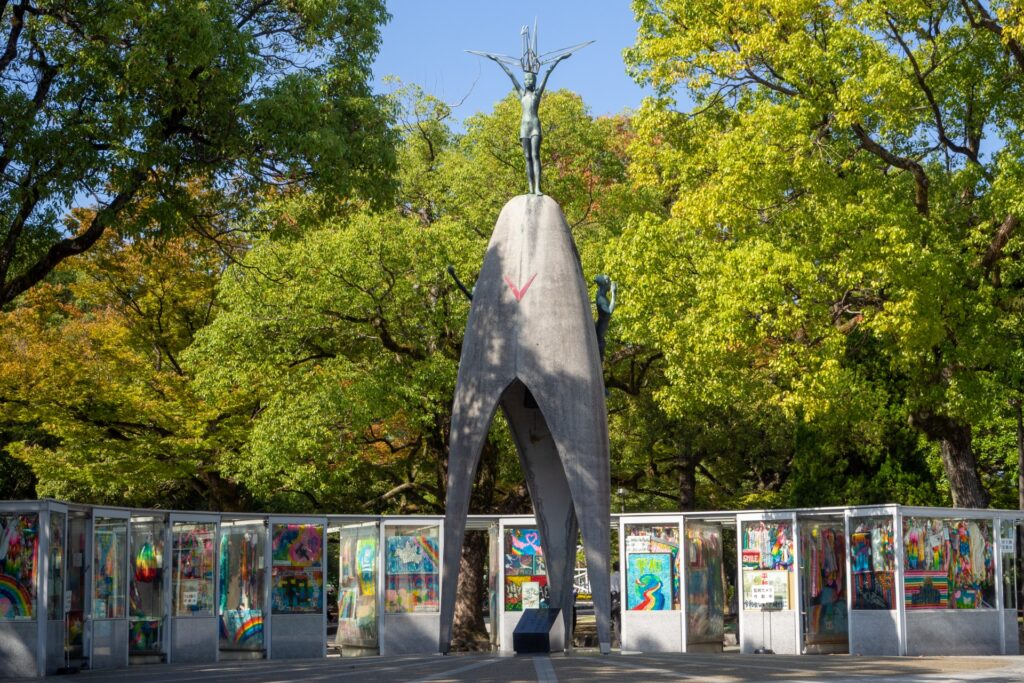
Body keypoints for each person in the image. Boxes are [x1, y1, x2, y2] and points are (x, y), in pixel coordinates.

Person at [486, 52, 570, 195]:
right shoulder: (521, 94)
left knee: (535, 155)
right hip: (524, 128)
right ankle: (530, 188)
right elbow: (511, 75)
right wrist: (498, 60)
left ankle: (537, 188)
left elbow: (547, 74)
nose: (527, 80)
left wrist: (558, 60)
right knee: (527, 157)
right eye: (525, 78)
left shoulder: (536, 95)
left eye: (530, 78)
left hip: (535, 127)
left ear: (534, 81)